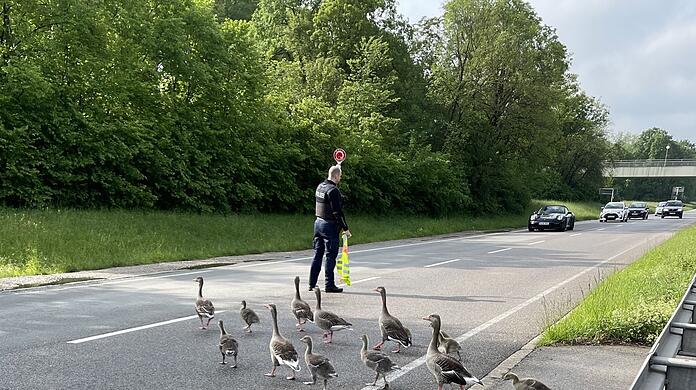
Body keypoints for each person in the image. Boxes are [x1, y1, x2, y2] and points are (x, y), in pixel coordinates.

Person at [309, 165, 351, 293]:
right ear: (336, 176)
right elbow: (337, 212)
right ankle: (329, 284)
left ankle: (312, 283)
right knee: (330, 256)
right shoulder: (333, 191)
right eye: (340, 176)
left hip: (318, 223)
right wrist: (345, 228)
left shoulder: (320, 187)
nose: (340, 178)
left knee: (317, 254)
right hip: (329, 226)